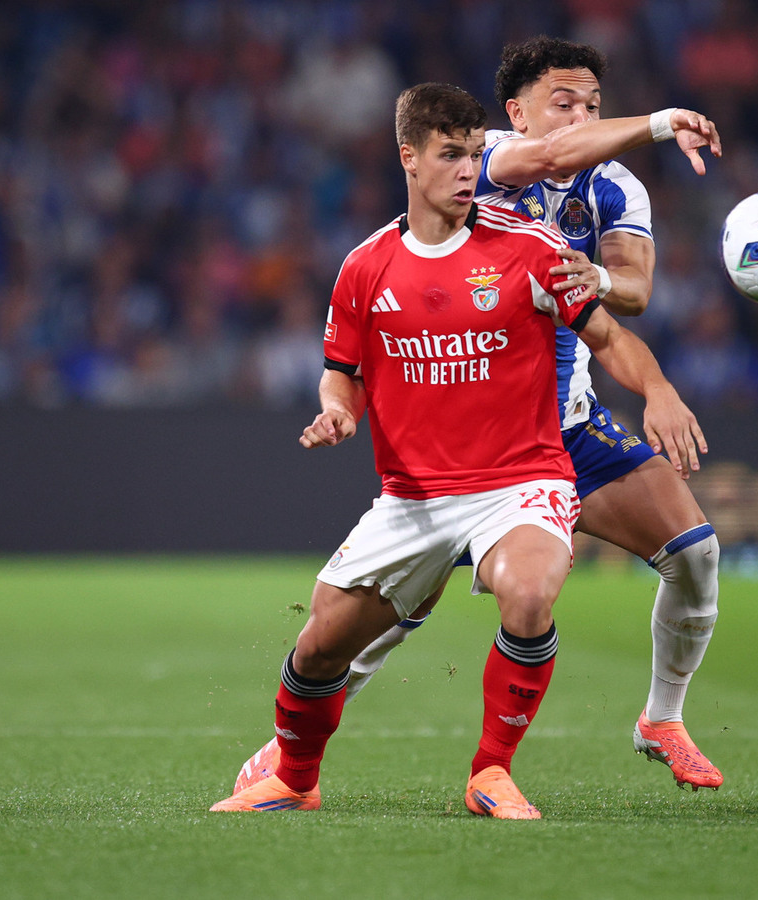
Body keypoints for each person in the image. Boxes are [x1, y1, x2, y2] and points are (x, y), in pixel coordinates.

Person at [231, 37, 728, 795]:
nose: (582, 117)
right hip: (457, 438)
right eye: (564, 102)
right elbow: (552, 156)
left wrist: (598, 281)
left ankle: (660, 719)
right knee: (376, 624)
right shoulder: (482, 155)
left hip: (560, 429)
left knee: (694, 553)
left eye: (593, 105)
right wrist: (662, 122)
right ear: (516, 114)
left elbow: (634, 291)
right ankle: (287, 753)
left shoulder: (616, 187)